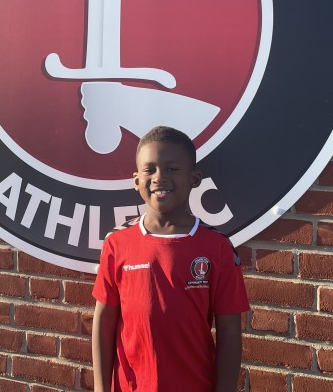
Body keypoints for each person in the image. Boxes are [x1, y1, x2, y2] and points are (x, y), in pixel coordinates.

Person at [91, 126, 249, 392]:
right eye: (149, 169)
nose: (159, 178)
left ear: (194, 178)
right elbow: (104, 320)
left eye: (172, 169)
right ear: (136, 180)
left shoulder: (217, 248)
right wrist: (100, 388)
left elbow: (229, 330)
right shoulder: (117, 243)